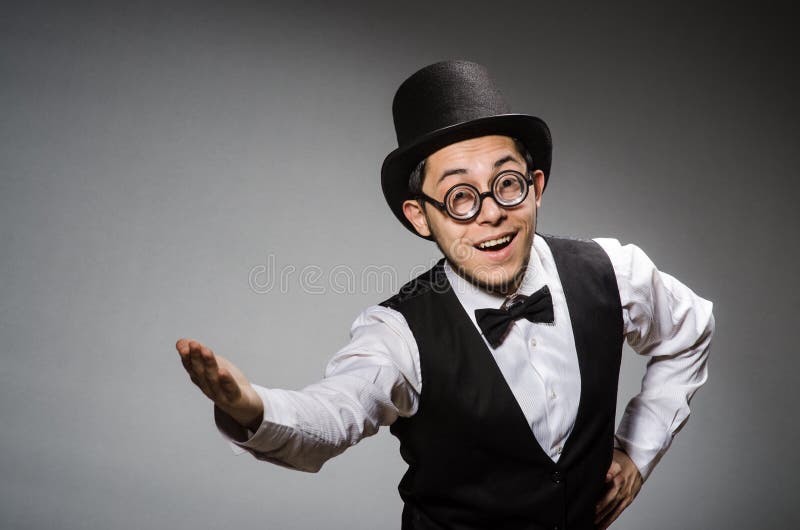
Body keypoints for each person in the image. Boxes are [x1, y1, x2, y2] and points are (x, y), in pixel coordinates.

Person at [174, 60, 714, 530]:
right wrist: (252, 407)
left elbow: (690, 332)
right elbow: (335, 411)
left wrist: (637, 451)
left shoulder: (613, 271)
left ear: (537, 186)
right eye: (459, 196)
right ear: (421, 217)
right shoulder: (397, 334)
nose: (490, 213)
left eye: (506, 183)